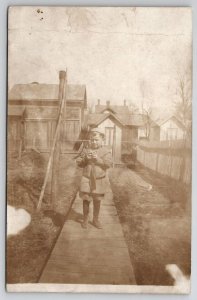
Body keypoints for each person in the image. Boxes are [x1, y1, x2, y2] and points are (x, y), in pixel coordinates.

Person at [76, 128, 113, 229]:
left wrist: (98, 159)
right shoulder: (86, 150)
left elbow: (108, 164)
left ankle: (95, 219)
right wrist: (85, 158)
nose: (94, 142)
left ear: (102, 140)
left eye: (96, 140)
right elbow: (79, 163)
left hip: (99, 179)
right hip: (87, 179)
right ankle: (85, 219)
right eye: (92, 140)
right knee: (86, 199)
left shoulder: (106, 151)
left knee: (97, 200)